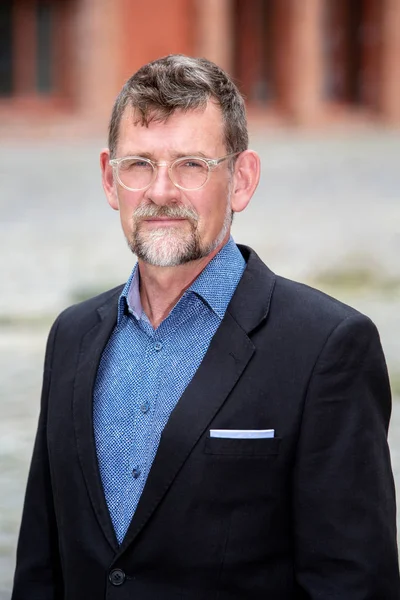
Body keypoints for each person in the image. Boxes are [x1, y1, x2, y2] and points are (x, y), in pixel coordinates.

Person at [12, 54, 399, 600]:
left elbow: (353, 585)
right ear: (109, 179)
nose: (161, 191)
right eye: (139, 164)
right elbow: (40, 569)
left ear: (241, 181)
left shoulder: (327, 348)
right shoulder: (71, 337)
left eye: (192, 164)